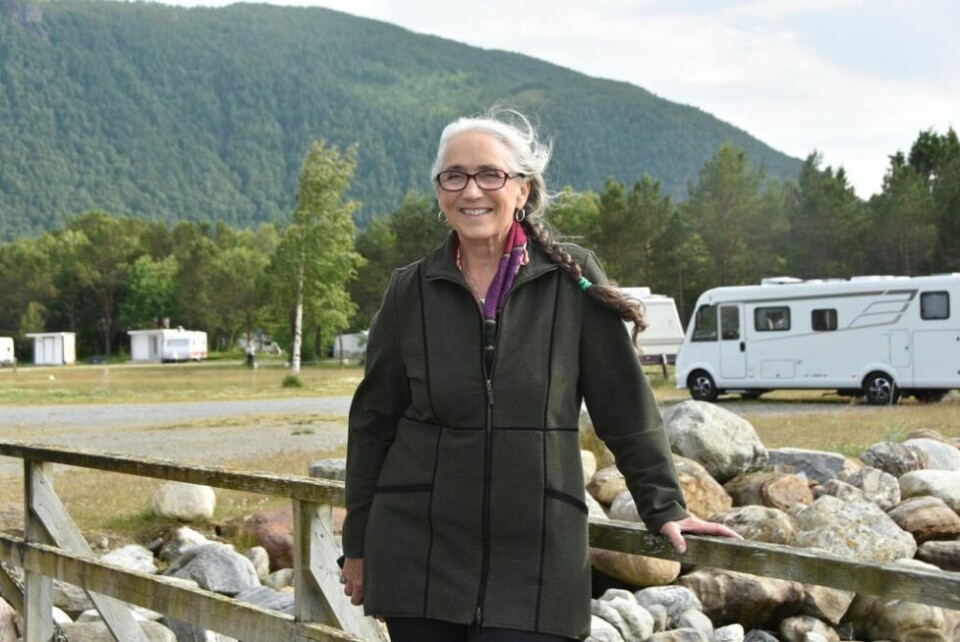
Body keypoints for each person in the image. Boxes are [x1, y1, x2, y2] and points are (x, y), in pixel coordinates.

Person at [340, 107, 740, 642]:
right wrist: (358, 544)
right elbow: (372, 424)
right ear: (439, 192)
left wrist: (663, 505)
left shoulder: (571, 280)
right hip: (420, 553)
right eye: (453, 176)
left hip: (537, 559)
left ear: (522, 189)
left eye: (490, 175)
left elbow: (624, 406)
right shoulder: (408, 290)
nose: (471, 190)